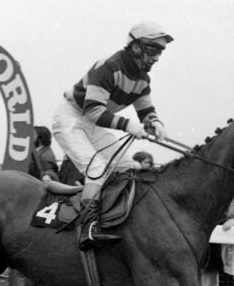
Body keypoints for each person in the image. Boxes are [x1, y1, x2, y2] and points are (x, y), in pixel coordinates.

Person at [51, 21, 172, 250]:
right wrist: (128, 125)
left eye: (160, 52)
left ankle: (116, 222)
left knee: (128, 167)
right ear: (135, 47)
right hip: (71, 117)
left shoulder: (143, 79)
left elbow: (146, 111)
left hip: (92, 122)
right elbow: (93, 110)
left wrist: (155, 123)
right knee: (97, 168)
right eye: (153, 50)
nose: (156, 58)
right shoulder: (109, 67)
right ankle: (88, 228)